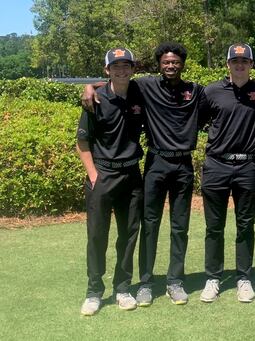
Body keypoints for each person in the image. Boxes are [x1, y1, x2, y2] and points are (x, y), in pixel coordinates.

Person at [82, 42, 205, 306]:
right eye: (165, 62)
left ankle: (175, 281)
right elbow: (115, 80)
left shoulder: (195, 91)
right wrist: (88, 87)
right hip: (155, 163)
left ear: (182, 63)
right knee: (148, 225)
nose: (170, 65)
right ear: (159, 64)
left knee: (179, 227)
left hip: (183, 165)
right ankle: (146, 283)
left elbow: (223, 96)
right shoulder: (145, 86)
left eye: (175, 62)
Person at [199, 43, 255, 303]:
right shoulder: (212, 91)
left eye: (245, 61)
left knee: (245, 225)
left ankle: (243, 278)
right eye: (235, 61)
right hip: (217, 165)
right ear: (227, 64)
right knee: (214, 227)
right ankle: (213, 278)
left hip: (247, 167)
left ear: (251, 65)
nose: (240, 65)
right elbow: (196, 120)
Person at [77, 48, 144, 316]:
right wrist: (94, 176)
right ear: (107, 70)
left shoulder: (140, 93)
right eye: (115, 66)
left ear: (132, 69)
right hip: (102, 176)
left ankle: (123, 288)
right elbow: (82, 142)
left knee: (128, 236)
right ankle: (94, 291)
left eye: (126, 66)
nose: (121, 70)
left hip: (131, 176)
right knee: (97, 236)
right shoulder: (95, 99)